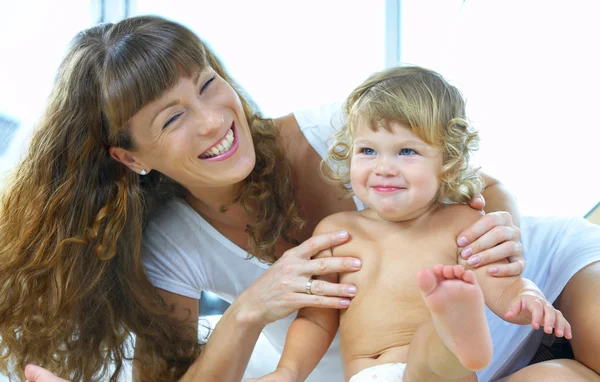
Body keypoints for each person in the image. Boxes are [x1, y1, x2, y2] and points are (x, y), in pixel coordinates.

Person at [0, 15, 597, 382]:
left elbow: (485, 187)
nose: (213, 120)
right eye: (173, 116)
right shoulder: (172, 253)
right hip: (412, 369)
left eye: (209, 84)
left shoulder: (335, 134)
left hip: (541, 279)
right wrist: (251, 308)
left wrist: (503, 243)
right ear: (130, 156)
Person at [248, 65, 571, 382]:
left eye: (406, 151)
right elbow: (316, 319)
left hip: (439, 374)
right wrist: (287, 371)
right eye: (368, 150)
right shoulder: (336, 233)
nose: (384, 167)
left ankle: (453, 333)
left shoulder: (461, 222)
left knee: (430, 346)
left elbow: (502, 286)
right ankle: (452, 331)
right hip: (369, 376)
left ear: (448, 161)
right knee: (432, 342)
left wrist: (530, 298)